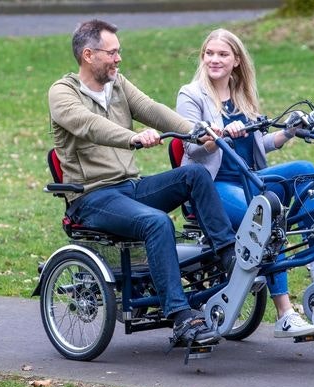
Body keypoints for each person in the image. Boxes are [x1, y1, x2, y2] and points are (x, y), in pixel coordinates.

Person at [48, 19, 237, 346]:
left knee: (194, 174)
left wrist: (198, 130)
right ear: (89, 55)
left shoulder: (117, 84)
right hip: (92, 199)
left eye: (119, 52)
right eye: (112, 53)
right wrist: (132, 138)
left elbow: (152, 109)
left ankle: (229, 256)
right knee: (156, 222)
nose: (118, 59)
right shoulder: (62, 93)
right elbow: (89, 125)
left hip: (129, 188)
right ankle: (180, 317)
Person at [176, 28, 314, 338]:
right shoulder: (191, 94)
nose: (215, 59)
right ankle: (284, 313)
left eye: (223, 54)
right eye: (209, 53)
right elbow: (191, 147)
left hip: (248, 178)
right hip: (210, 185)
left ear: (236, 60)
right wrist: (220, 135)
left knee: (307, 170)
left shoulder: (242, 96)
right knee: (268, 220)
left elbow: (258, 145)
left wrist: (289, 132)